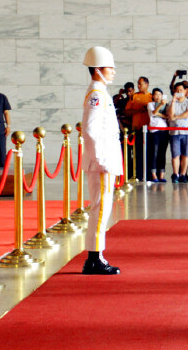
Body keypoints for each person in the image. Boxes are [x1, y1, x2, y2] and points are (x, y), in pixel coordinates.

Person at [80, 46, 122, 275]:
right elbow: (90, 131)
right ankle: (94, 259)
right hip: (101, 163)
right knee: (101, 209)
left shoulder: (100, 92)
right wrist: (100, 159)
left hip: (103, 161)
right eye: (110, 67)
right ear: (97, 70)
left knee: (102, 209)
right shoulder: (97, 94)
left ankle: (96, 256)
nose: (114, 71)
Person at [168, 82, 188, 183]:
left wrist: (176, 117)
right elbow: (170, 116)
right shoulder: (171, 102)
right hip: (174, 133)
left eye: (181, 90)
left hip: (187, 132)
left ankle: (183, 174)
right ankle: (176, 174)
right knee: (175, 155)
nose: (179, 92)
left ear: (185, 91)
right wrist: (174, 102)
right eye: (177, 90)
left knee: (186, 155)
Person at [125, 77, 152, 180]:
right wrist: (139, 111)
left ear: (147, 84)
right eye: (138, 84)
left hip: (149, 129)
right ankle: (139, 174)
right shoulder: (134, 96)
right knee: (138, 153)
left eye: (141, 84)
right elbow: (127, 111)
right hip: (137, 129)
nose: (139, 86)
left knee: (149, 152)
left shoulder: (151, 97)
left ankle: (149, 174)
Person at [147, 88, 169, 183]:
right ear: (153, 96)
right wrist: (160, 105)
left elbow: (167, 116)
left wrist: (160, 113)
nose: (158, 96)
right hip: (154, 131)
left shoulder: (166, 105)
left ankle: (161, 175)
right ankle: (154, 175)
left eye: (160, 94)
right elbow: (154, 113)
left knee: (162, 153)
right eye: (156, 94)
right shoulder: (150, 104)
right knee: (154, 153)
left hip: (164, 130)